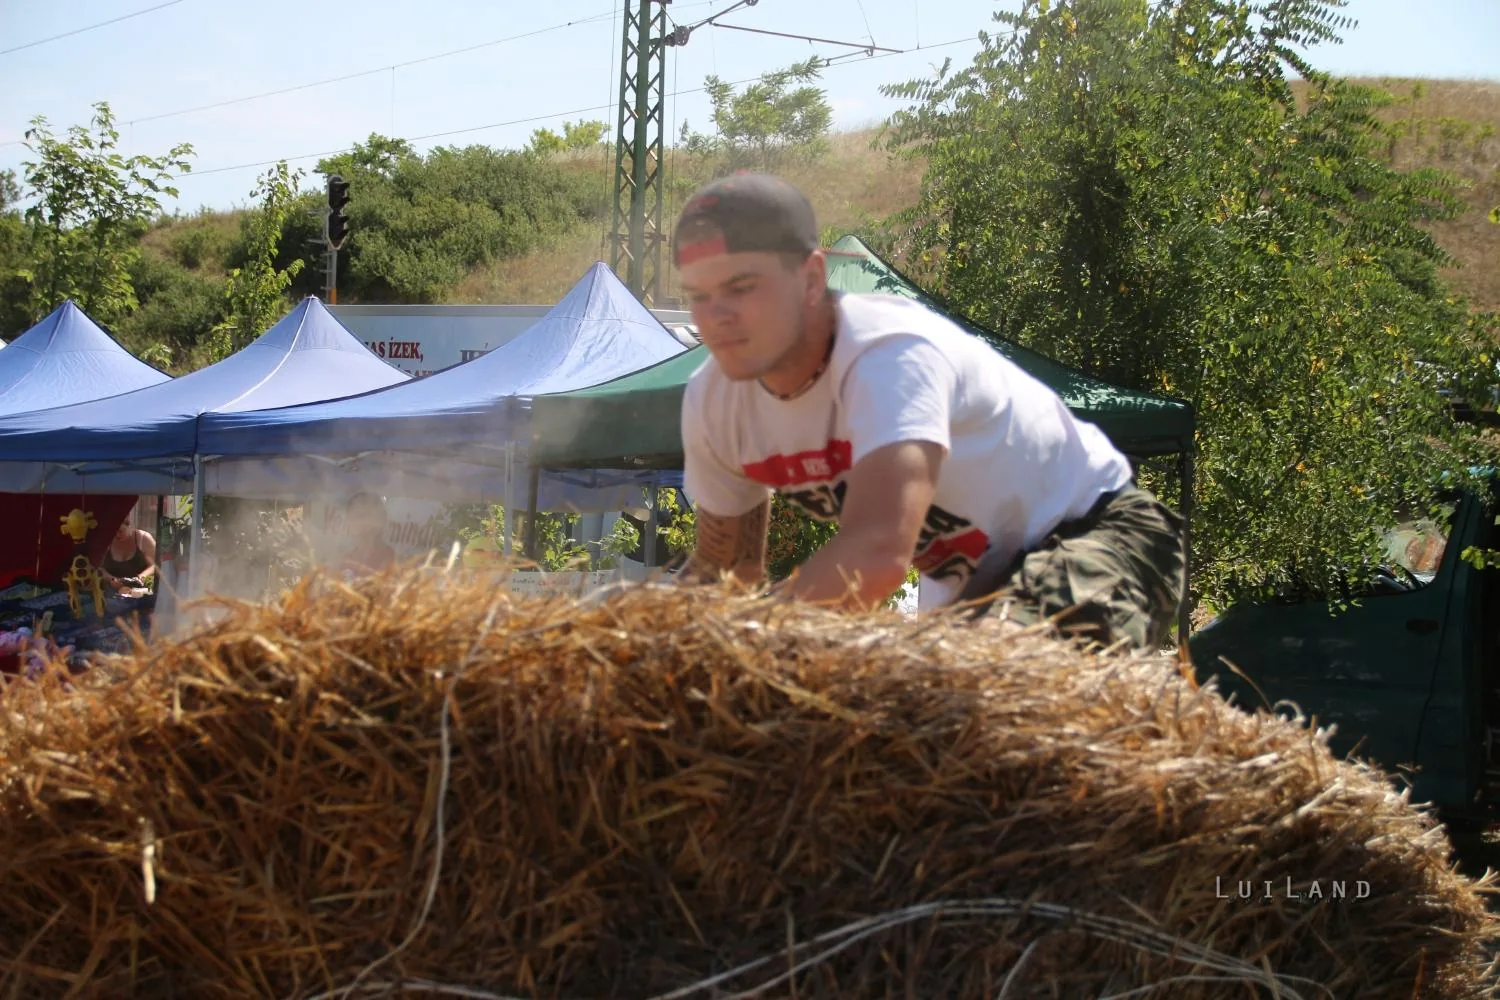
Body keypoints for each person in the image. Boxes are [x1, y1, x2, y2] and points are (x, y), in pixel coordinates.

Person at [670, 173, 1186, 650]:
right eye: (699, 295)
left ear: (810, 279)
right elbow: (725, 576)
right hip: (975, 594)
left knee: (992, 687)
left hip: (1100, 532)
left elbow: (874, 556)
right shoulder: (713, 402)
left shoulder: (889, 356)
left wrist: (751, 644)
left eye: (741, 288)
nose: (717, 315)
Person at [336, 493, 396, 578]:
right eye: (358, 516)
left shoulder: (390, 557)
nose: (363, 522)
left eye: (368, 515)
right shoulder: (345, 561)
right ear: (348, 521)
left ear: (382, 520)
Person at [98, 511, 157, 593]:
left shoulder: (143, 539)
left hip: (140, 592)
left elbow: (154, 565)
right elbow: (98, 568)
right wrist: (111, 579)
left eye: (120, 531)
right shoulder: (106, 541)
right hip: (112, 595)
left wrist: (142, 577)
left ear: (128, 525)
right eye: (113, 532)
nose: (117, 535)